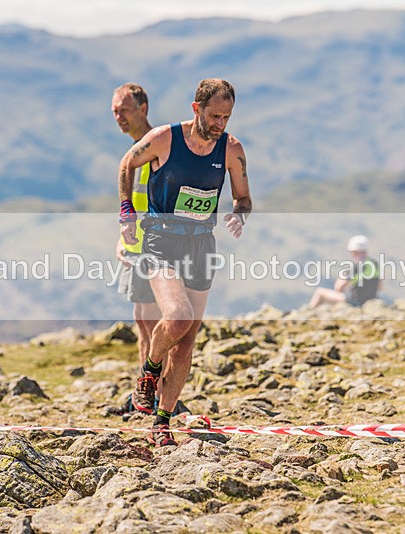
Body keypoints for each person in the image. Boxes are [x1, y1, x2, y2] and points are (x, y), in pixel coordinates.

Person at [118, 78, 252, 447]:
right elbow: (128, 163)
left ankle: (162, 422)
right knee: (178, 317)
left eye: (226, 117)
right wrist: (127, 211)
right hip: (161, 239)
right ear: (197, 109)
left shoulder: (231, 148)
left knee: (187, 340)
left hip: (202, 244)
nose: (220, 124)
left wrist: (239, 215)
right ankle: (150, 370)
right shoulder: (165, 138)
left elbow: (243, 198)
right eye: (214, 116)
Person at [110, 83, 166, 416]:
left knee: (155, 324)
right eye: (115, 111)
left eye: (124, 110)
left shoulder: (156, 147)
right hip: (137, 249)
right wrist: (123, 240)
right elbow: (135, 204)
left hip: (155, 249)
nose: (119, 116)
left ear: (143, 108)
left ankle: (157, 397)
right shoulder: (135, 149)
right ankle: (143, 396)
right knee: (143, 321)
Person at [309, 234, 382, 308]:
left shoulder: (356, 266)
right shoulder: (374, 264)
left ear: (354, 251)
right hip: (370, 303)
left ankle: (309, 311)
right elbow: (380, 286)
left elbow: (339, 287)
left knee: (319, 292)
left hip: (355, 303)